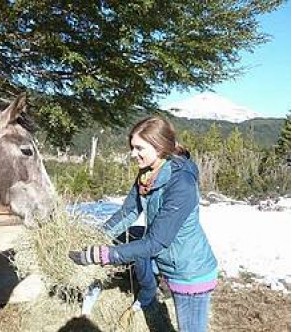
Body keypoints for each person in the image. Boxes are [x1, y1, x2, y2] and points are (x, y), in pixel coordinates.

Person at [69, 116, 218, 332]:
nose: (132, 154)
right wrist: (95, 238)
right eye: (132, 147)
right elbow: (128, 212)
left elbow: (155, 242)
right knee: (136, 241)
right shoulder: (148, 173)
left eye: (139, 147)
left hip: (190, 274)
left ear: (158, 146)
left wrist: (103, 255)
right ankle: (150, 293)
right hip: (168, 262)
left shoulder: (181, 182)